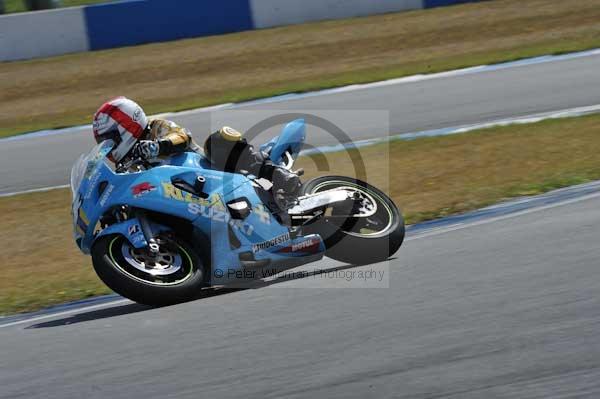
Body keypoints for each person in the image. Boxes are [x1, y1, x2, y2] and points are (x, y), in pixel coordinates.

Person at [92, 97, 300, 196]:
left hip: (212, 174)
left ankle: (276, 173)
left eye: (110, 139)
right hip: (185, 199)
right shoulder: (126, 165)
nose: (109, 147)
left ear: (128, 124)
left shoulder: (155, 128)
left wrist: (158, 147)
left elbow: (182, 136)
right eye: (104, 143)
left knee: (219, 139)